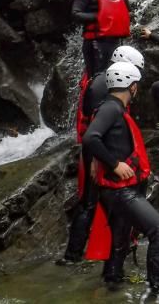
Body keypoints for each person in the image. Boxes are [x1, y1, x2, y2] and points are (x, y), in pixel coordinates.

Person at [82, 61, 159, 298]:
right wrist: (114, 164)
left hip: (116, 189)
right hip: (120, 191)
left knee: (121, 232)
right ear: (132, 86)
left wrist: (101, 162)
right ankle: (157, 288)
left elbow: (97, 139)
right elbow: (90, 138)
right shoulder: (111, 109)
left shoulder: (111, 106)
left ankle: (113, 277)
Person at [57, 46, 145, 266]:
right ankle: (80, 255)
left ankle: (80, 254)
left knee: (92, 201)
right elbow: (97, 125)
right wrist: (111, 161)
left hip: (99, 149)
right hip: (100, 151)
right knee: (92, 201)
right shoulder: (104, 87)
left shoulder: (100, 81)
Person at [71, 0, 131, 76]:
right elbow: (75, 14)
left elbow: (128, 13)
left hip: (115, 42)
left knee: (115, 76)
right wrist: (99, 16)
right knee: (97, 77)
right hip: (94, 42)